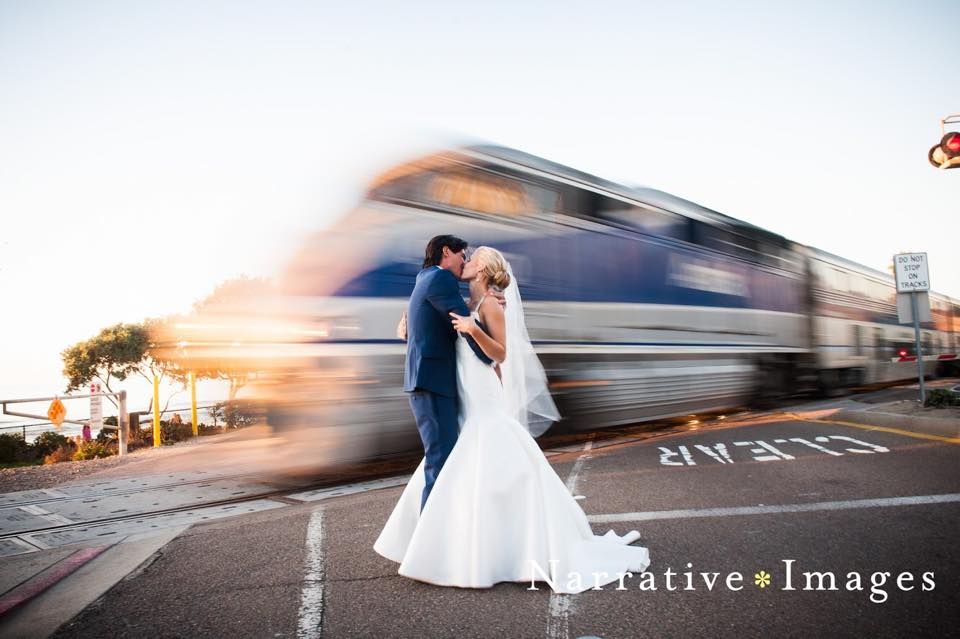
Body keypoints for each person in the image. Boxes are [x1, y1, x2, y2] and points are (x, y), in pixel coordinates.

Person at [376, 246, 650, 593]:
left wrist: (473, 330)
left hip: (481, 393)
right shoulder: (467, 303)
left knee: (481, 461)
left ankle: (485, 550)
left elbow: (501, 353)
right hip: (466, 390)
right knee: (459, 463)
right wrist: (410, 325)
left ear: (484, 270)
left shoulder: (490, 304)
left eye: (473, 259)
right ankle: (450, 544)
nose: (466, 260)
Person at [402, 235, 495, 511]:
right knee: (442, 460)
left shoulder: (425, 277)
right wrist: (489, 357)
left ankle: (438, 534)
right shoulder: (442, 279)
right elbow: (462, 324)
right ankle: (429, 539)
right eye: (462, 255)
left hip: (427, 380)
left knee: (442, 458)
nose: (464, 261)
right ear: (446, 252)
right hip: (433, 383)